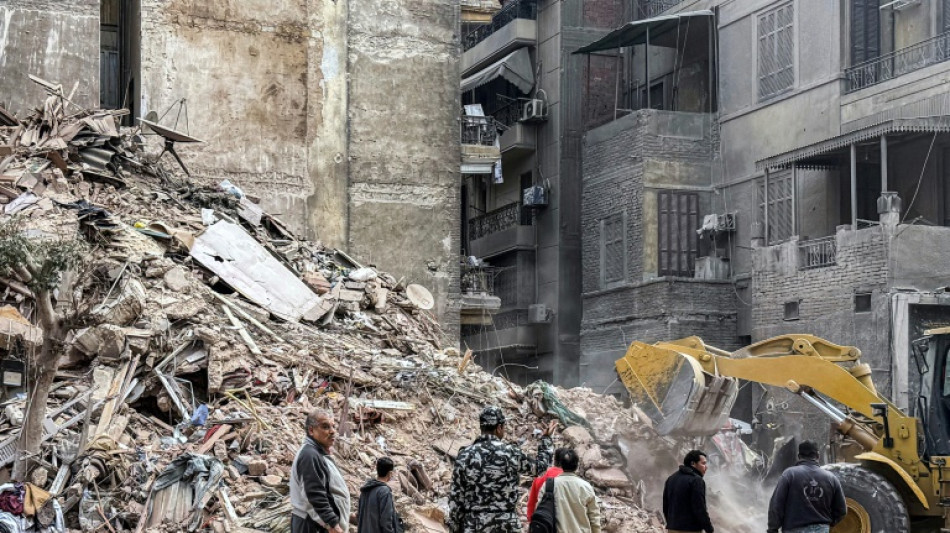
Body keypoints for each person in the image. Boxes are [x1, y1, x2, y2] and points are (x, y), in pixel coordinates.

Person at [446, 406, 556, 532]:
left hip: (474, 525)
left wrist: (455, 526)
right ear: (499, 428)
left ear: (482, 427)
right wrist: (546, 440)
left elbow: (456, 498)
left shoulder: (465, 455)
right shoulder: (511, 453)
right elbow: (540, 468)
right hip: (507, 525)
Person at [290, 409, 352, 533]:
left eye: (333, 426)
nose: (333, 431)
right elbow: (314, 495)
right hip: (312, 525)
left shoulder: (317, 453)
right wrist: (332, 524)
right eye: (325, 427)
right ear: (311, 430)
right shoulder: (310, 455)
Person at [767, 441, 846, 533]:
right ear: (818, 455)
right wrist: (828, 523)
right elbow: (841, 510)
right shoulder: (831, 478)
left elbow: (776, 505)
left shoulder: (790, 474)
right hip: (821, 529)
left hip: (794, 529)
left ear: (799, 456)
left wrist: (773, 528)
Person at [538, 448, 600, 533]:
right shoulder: (586, 487)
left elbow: (539, 511)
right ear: (577, 466)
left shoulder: (548, 485)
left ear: (561, 465)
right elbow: (594, 518)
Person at [662, 449, 714, 533]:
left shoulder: (671, 478)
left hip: (672, 529)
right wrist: (709, 529)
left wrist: (671, 523)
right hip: (690, 529)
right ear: (693, 463)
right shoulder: (696, 480)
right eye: (703, 463)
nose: (706, 467)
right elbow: (699, 508)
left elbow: (666, 506)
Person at [356, 457, 403, 533]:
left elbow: (359, 516)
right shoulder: (384, 491)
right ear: (390, 473)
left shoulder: (365, 490)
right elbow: (386, 520)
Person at [527, 448, 568, 520]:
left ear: (554, 459)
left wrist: (532, 522)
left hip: (542, 523)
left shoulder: (540, 477)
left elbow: (531, 504)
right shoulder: (568, 480)